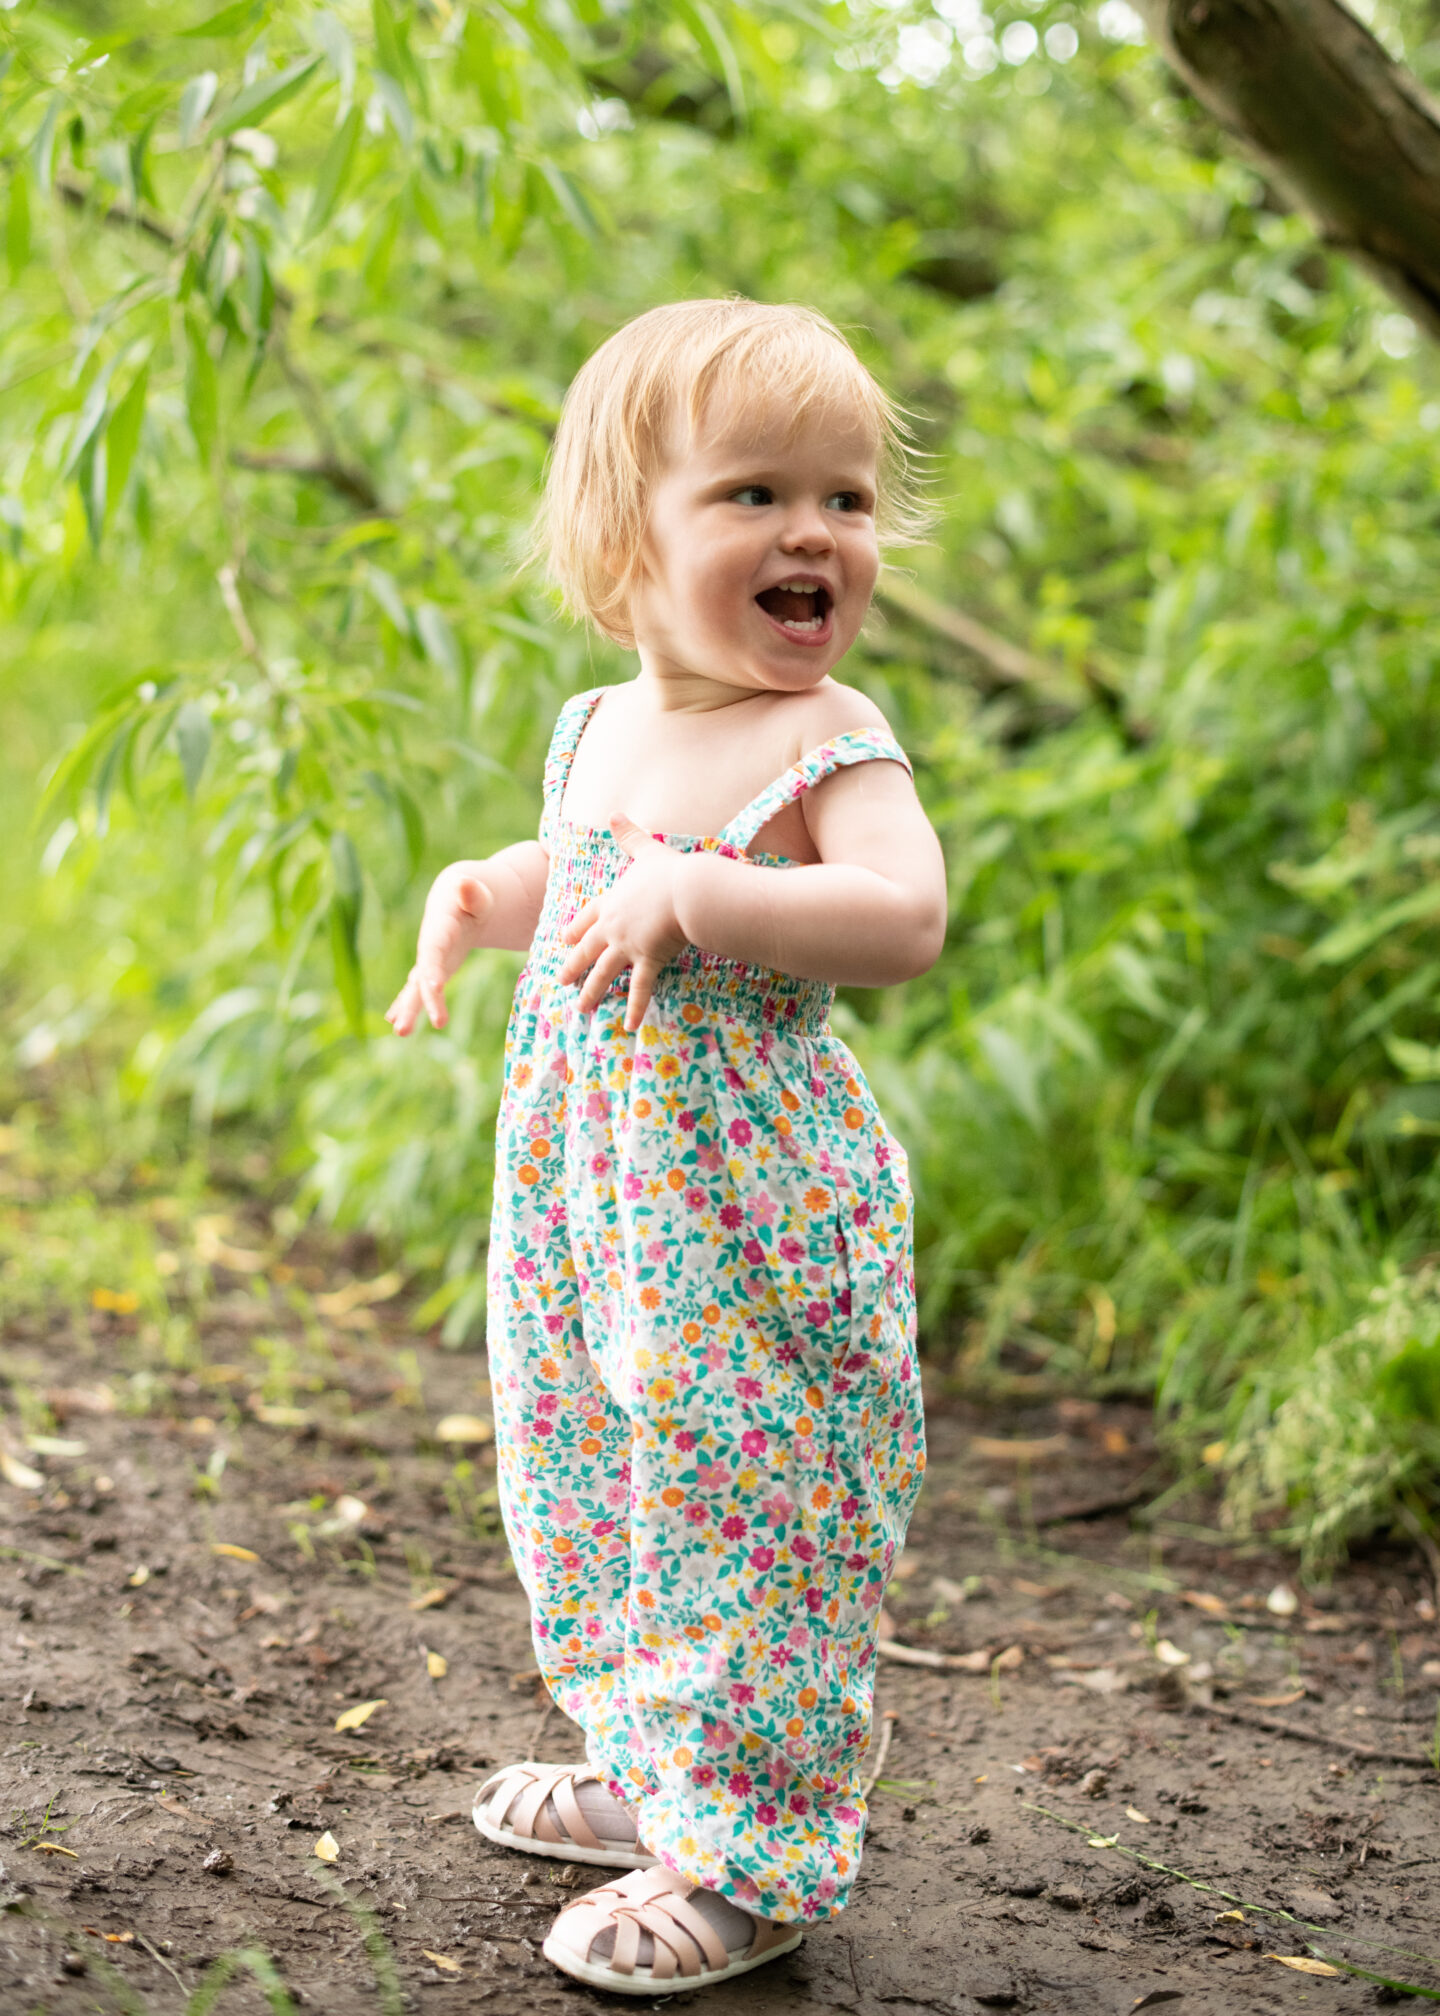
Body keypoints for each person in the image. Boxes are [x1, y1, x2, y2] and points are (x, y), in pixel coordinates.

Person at [386, 297, 947, 1994]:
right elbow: (594, 860)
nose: (816, 535)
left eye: (845, 502)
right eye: (758, 495)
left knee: (746, 1498)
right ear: (627, 540)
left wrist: (711, 894)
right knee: (596, 1484)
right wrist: (489, 897)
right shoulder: (597, 726)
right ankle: (660, 1771)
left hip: (750, 1209)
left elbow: (901, 916)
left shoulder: (824, 739)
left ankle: (753, 1852)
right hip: (591, 1206)